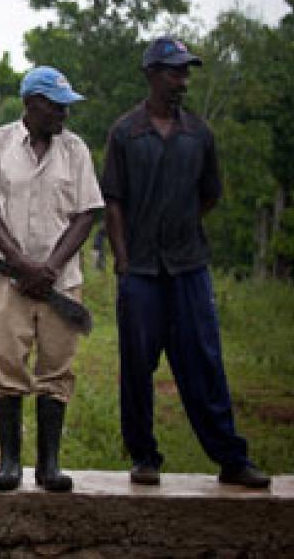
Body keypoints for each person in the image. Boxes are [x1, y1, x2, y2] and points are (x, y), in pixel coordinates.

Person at [104, 37, 269, 489]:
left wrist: (179, 227)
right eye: (175, 72)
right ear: (152, 74)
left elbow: (209, 194)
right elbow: (113, 201)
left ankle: (232, 459)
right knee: (137, 367)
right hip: (139, 270)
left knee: (203, 362)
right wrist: (121, 261)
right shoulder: (125, 133)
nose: (183, 81)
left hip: (188, 267)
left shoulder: (199, 134)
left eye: (186, 72)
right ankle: (144, 457)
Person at [0, 66, 103, 492]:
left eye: (66, 107)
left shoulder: (75, 150)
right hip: (9, 279)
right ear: (31, 104)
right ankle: (10, 462)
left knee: (56, 368)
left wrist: (51, 268)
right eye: (56, 106)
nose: (64, 114)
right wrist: (21, 263)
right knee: (7, 362)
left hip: (61, 282)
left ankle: (49, 464)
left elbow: (87, 213)